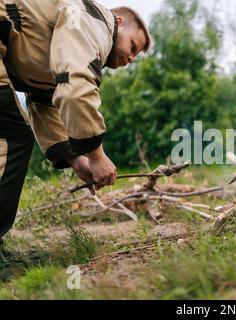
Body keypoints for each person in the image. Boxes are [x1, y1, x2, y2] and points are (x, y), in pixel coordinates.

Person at [0, 0, 152, 243]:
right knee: (13, 136)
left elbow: (44, 99)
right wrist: (96, 156)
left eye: (136, 55)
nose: (131, 58)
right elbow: (75, 89)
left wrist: (73, 157)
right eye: (133, 45)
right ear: (119, 22)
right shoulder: (95, 24)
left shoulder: (66, 38)